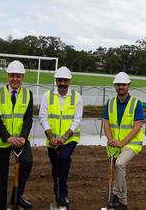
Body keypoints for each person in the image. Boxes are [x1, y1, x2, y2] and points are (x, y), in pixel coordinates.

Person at [0, 60, 34, 209]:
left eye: (18, 76)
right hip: (1, 140)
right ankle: (2, 205)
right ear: (8, 76)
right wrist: (8, 137)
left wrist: (23, 137)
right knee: (1, 173)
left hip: (20, 139)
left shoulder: (28, 94)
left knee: (27, 162)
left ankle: (17, 195)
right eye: (12, 76)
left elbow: (28, 118)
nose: (15, 79)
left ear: (23, 77)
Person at [39, 66, 83, 208]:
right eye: (59, 80)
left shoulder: (77, 97)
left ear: (69, 81)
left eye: (65, 80)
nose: (62, 83)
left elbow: (77, 120)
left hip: (70, 139)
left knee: (64, 159)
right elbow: (42, 118)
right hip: (51, 139)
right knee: (55, 168)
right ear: (56, 80)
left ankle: (63, 195)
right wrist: (51, 137)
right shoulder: (47, 96)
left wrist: (64, 138)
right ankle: (57, 194)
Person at [103, 72, 144, 210]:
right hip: (115, 144)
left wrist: (122, 142)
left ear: (128, 86)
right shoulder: (110, 103)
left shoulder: (136, 103)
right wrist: (110, 139)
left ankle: (117, 194)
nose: (121, 87)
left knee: (120, 164)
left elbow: (138, 126)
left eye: (124, 85)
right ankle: (122, 203)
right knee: (120, 172)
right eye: (118, 85)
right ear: (115, 86)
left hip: (132, 143)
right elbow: (106, 122)